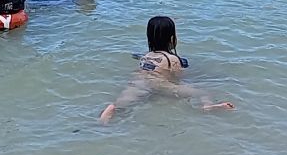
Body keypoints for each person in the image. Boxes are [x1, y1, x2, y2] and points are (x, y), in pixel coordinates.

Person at [99, 16, 235, 124]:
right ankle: (207, 106)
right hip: (161, 85)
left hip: (140, 81)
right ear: (172, 38)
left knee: (127, 98)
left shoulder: (146, 56)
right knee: (202, 92)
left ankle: (113, 108)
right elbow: (176, 79)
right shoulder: (172, 58)